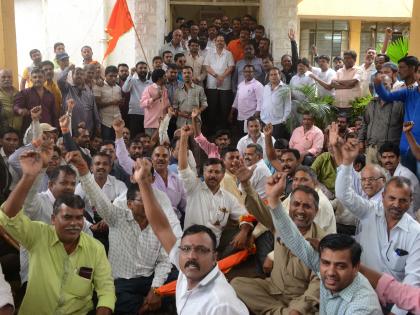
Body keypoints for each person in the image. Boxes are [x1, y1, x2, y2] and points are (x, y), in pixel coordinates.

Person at [0, 150, 116, 314]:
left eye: (78, 218)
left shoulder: (95, 248)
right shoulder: (38, 235)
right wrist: (28, 177)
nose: (74, 224)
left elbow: (106, 287)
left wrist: (104, 308)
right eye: (67, 217)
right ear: (53, 219)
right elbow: (7, 216)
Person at [68, 150, 180, 314]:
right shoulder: (117, 216)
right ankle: (146, 307)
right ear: (129, 204)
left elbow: (164, 260)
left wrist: (156, 289)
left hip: (149, 278)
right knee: (114, 298)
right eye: (142, 201)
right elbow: (100, 201)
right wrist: (84, 172)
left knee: (178, 278)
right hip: (122, 282)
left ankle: (147, 305)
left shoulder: (159, 224)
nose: (148, 205)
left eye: (151, 201)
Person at [133, 157, 249, 314]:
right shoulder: (185, 266)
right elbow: (161, 228)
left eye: (201, 250)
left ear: (215, 257)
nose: (192, 256)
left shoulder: (220, 304)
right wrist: (143, 183)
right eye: (186, 249)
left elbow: (245, 216)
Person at [265, 172, 383, 314]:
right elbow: (294, 239)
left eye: (341, 266)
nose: (331, 272)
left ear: (356, 267)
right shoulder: (323, 268)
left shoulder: (362, 306)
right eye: (326, 263)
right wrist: (273, 199)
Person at [336, 137, 420, 315]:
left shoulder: (416, 233)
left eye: (402, 200)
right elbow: (344, 195)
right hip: (362, 290)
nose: (396, 205)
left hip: (395, 302)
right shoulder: (369, 212)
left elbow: (413, 280)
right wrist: (346, 163)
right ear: (383, 197)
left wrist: (396, 312)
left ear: (410, 201)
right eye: (392, 198)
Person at [232, 169, 327, 314]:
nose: (300, 210)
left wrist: (299, 308)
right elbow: (260, 209)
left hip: (298, 298)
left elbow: (318, 284)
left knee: (305, 309)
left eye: (307, 206)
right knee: (236, 284)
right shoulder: (282, 225)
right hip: (272, 288)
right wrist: (245, 184)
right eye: (296, 204)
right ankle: (280, 312)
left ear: (316, 212)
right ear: (289, 207)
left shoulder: (321, 242)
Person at [178, 125, 253, 254]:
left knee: (246, 236)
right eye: (210, 172)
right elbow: (183, 167)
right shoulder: (194, 188)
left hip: (213, 247)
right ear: (203, 173)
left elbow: (245, 215)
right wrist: (184, 138)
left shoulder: (228, 198)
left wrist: (244, 231)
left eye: (217, 172)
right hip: (191, 246)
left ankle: (218, 261)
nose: (213, 175)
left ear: (223, 174)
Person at [374, 56, 420, 177]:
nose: (399, 70)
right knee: (405, 180)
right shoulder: (409, 91)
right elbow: (387, 96)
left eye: (402, 67)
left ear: (413, 69)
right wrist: (378, 84)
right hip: (406, 146)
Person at [359, 75, 404, 164]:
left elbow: (405, 126)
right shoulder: (371, 104)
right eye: (380, 85)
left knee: (389, 176)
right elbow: (365, 123)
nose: (382, 87)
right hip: (372, 149)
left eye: (385, 84)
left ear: (391, 85)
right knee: (372, 176)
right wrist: (360, 141)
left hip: (391, 152)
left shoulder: (399, 104)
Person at [203, 35, 235, 136]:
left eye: (222, 40)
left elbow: (231, 67)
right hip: (212, 85)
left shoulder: (228, 54)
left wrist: (222, 77)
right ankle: (211, 131)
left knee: (224, 108)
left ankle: (224, 131)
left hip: (225, 86)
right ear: (214, 42)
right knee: (212, 108)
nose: (220, 42)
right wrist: (217, 76)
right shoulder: (209, 53)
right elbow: (206, 67)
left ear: (224, 42)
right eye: (218, 41)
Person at [379, 142, 420, 217]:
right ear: (381, 159)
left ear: (398, 158)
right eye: (384, 157)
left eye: (391, 157)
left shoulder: (405, 176)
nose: (387, 160)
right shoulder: (387, 174)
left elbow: (406, 207)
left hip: (408, 217)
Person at [58, 64, 101, 136]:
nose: (79, 76)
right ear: (72, 76)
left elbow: (94, 111)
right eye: (77, 73)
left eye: (81, 74)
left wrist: (98, 126)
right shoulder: (67, 88)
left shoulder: (88, 91)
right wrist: (68, 69)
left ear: (84, 76)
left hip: (87, 130)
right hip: (71, 129)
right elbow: (60, 80)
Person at [14, 68, 57, 134]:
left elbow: (54, 115)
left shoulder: (50, 95)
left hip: (47, 130)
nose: (37, 79)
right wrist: (20, 110)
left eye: (40, 77)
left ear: (44, 79)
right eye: (35, 77)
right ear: (31, 79)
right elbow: (16, 107)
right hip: (30, 131)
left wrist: (55, 131)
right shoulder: (24, 93)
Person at [230, 64, 264, 138]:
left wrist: (256, 115)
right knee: (242, 138)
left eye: (250, 72)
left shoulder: (258, 85)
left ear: (254, 73)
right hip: (240, 117)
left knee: (252, 138)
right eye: (246, 71)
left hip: (251, 117)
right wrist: (231, 113)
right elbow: (236, 100)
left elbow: (260, 101)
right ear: (243, 73)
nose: (248, 73)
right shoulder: (240, 84)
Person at [122, 61, 151, 138]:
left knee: (147, 137)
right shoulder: (132, 81)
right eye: (140, 68)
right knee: (135, 137)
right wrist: (131, 75)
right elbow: (125, 89)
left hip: (148, 114)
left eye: (145, 68)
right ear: (136, 70)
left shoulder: (150, 83)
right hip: (134, 114)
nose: (143, 70)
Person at [93, 65, 122, 141]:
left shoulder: (118, 88)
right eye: (111, 76)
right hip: (105, 121)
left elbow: (119, 103)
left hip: (117, 119)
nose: (113, 78)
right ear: (105, 75)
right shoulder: (99, 86)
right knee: (106, 142)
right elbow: (96, 105)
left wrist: (120, 102)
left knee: (117, 142)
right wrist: (111, 102)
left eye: (115, 76)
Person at [140, 69, 170, 136]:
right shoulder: (148, 89)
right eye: (165, 76)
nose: (166, 78)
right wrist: (154, 98)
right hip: (151, 124)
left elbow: (166, 105)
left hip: (163, 124)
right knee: (151, 145)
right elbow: (142, 104)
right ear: (160, 78)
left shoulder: (165, 89)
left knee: (161, 146)